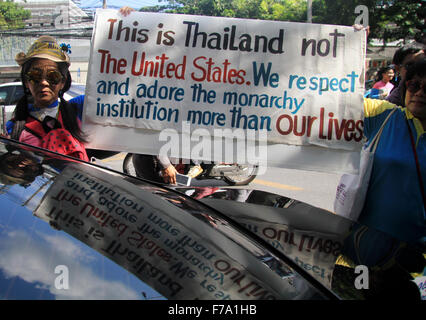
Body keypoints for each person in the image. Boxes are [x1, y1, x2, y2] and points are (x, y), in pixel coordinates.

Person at [359, 57, 426, 245]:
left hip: (417, 257)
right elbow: (332, 100)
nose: (419, 93)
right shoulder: (384, 115)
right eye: (414, 85)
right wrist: (349, 46)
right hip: (364, 246)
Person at [6, 35, 89, 161]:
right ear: (27, 82)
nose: (44, 82)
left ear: (63, 81)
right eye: (35, 75)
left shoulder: (78, 109)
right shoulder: (15, 126)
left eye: (52, 76)